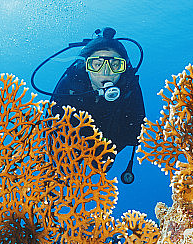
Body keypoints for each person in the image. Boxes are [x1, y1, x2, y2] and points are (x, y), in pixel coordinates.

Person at [50, 27, 146, 166]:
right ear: (86, 66)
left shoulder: (129, 87)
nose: (106, 72)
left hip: (108, 147)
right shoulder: (70, 84)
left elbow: (136, 133)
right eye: (97, 64)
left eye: (115, 65)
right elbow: (51, 124)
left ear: (124, 68)